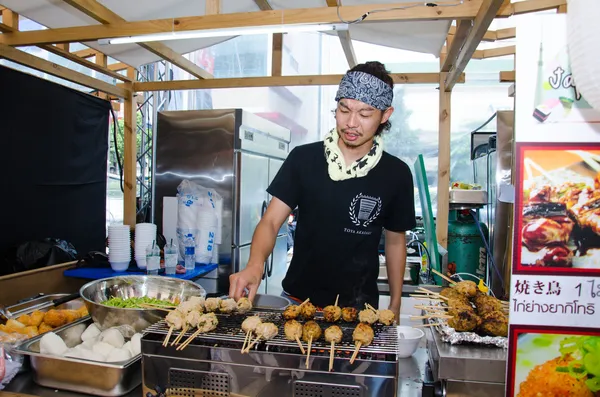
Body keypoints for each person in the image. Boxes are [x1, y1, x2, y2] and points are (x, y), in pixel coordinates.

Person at [229, 61, 416, 319]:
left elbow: (396, 241)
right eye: (344, 109)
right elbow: (271, 221)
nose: (351, 123)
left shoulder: (396, 174)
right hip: (297, 302)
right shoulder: (304, 159)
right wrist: (254, 264)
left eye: (365, 114)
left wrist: (395, 304)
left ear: (385, 115)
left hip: (358, 310)